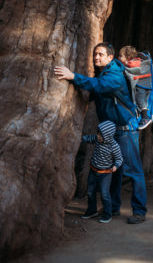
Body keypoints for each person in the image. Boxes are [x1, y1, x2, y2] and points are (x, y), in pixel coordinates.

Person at [54, 42, 147, 224]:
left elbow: (98, 85)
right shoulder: (106, 72)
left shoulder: (114, 76)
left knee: (134, 171)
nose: (96, 57)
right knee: (115, 171)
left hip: (126, 130)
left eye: (101, 55)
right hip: (113, 132)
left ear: (110, 57)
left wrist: (72, 76)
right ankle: (112, 208)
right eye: (95, 54)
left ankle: (140, 211)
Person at [81, 120, 123, 223]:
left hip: (105, 173)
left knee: (104, 194)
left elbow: (119, 159)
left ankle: (107, 214)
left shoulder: (114, 146)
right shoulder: (96, 139)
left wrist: (116, 166)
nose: (98, 136)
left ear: (108, 136)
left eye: (101, 134)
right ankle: (92, 210)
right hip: (93, 170)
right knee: (90, 191)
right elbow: (88, 138)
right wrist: (80, 138)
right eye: (98, 133)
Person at [118, 46, 153, 130]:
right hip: (144, 85)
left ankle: (145, 118)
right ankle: (144, 115)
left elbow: (135, 66)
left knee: (140, 101)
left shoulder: (133, 62)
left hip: (141, 85)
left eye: (120, 56)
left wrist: (125, 64)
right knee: (142, 101)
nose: (118, 57)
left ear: (128, 57)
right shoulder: (135, 61)